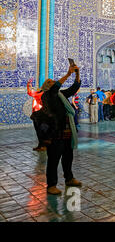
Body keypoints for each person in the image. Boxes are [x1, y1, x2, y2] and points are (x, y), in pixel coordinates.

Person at [39, 64, 82, 195]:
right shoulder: (46, 95)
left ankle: (69, 178)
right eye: (50, 82)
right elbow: (56, 87)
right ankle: (51, 185)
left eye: (53, 81)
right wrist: (68, 74)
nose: (54, 83)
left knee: (68, 157)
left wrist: (77, 74)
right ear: (47, 86)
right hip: (55, 133)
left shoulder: (60, 94)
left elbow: (74, 88)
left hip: (67, 131)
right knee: (53, 160)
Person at [27, 78, 45, 151]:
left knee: (41, 130)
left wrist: (29, 87)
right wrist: (29, 86)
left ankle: (43, 145)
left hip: (40, 115)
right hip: (37, 115)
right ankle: (41, 145)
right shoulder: (40, 93)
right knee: (39, 130)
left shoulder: (42, 94)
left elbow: (31, 93)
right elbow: (31, 93)